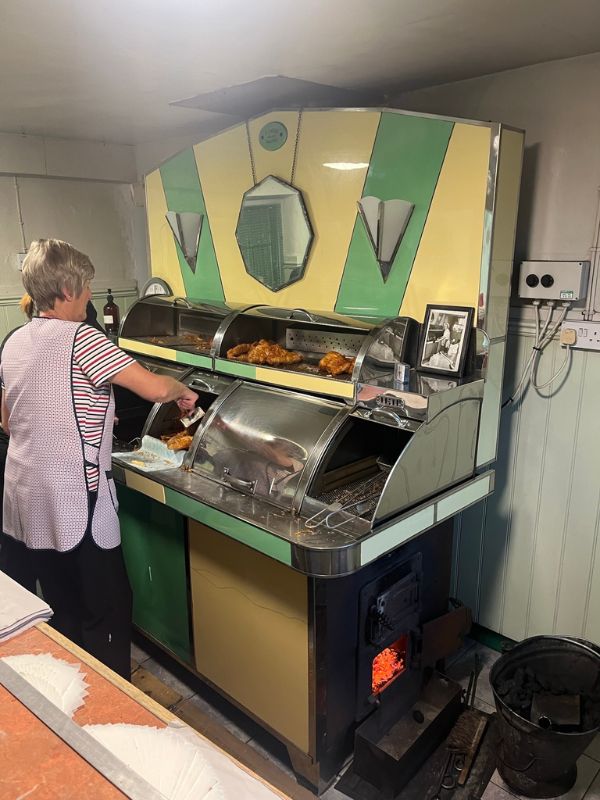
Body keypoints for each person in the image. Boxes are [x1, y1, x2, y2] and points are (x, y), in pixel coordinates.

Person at [0, 239, 198, 679]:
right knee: (107, 607)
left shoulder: (13, 341)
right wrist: (183, 390)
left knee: (60, 602)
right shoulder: (84, 339)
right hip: (75, 498)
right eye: (87, 285)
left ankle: (74, 689)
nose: (90, 295)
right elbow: (152, 388)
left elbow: (9, 423)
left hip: (25, 497)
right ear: (68, 288)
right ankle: (114, 705)